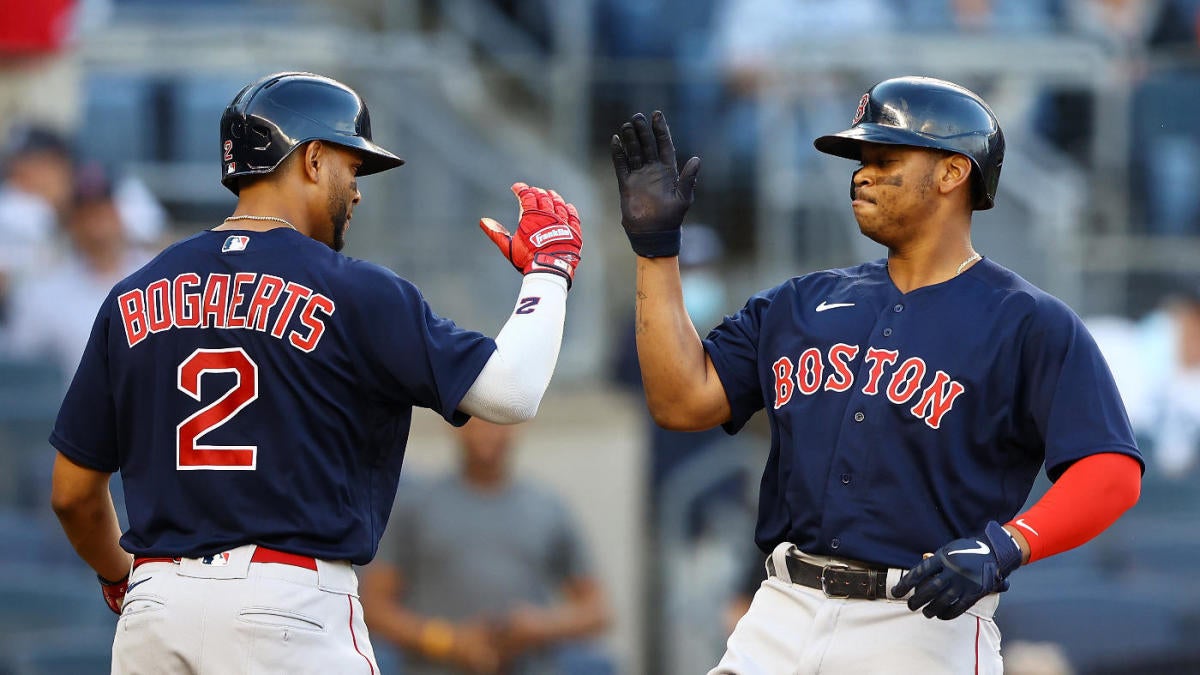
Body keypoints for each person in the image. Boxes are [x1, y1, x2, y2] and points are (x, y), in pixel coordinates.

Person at [48, 71, 584, 673]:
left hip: (155, 609)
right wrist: (550, 271)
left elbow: (72, 495)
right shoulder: (355, 290)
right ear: (311, 158)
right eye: (351, 168)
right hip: (287, 608)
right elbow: (511, 391)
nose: (355, 191)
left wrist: (124, 581)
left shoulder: (131, 295)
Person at [608, 76, 1143, 674]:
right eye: (860, 161)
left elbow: (1110, 471)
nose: (860, 174)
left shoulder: (1028, 322)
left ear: (951, 173)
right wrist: (656, 250)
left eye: (885, 158)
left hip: (918, 625)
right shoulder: (800, 302)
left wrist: (1007, 545)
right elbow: (682, 402)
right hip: (781, 612)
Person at [361, 417, 611, 675]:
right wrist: (448, 641)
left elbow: (597, 611)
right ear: (453, 424)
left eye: (498, 422)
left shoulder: (549, 508)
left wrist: (540, 627)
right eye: (475, 421)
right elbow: (374, 607)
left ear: (519, 424)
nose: (487, 433)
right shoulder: (415, 506)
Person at [5, 162, 152, 382]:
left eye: (102, 211)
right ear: (70, 223)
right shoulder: (42, 290)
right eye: (85, 214)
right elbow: (21, 373)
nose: (95, 225)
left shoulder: (159, 275)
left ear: (118, 213)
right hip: (78, 411)